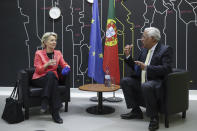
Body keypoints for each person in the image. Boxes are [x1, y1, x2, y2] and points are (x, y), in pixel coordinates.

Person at [120, 27, 173, 131]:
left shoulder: (165, 50)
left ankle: (154, 117)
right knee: (125, 81)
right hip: (143, 80)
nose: (141, 39)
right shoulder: (144, 50)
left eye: (144, 37)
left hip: (157, 82)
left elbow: (166, 69)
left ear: (153, 39)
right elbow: (137, 67)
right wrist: (128, 56)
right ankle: (136, 111)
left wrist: (147, 68)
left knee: (147, 85)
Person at [31, 32, 70, 124]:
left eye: (55, 40)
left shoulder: (58, 53)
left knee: (51, 76)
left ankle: (45, 100)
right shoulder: (39, 53)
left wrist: (67, 67)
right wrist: (47, 64)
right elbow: (38, 71)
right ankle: (55, 113)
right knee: (51, 77)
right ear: (45, 42)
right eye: (52, 40)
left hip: (51, 78)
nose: (54, 42)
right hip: (39, 78)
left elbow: (64, 64)